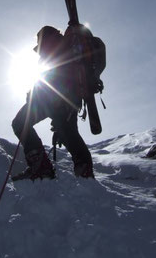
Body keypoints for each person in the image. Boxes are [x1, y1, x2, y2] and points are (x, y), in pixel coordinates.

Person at [11, 26, 94, 181]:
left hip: (54, 99)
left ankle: (42, 168)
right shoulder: (66, 48)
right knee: (67, 131)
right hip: (67, 99)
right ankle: (84, 171)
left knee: (20, 123)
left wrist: (33, 96)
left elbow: (49, 78)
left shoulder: (52, 51)